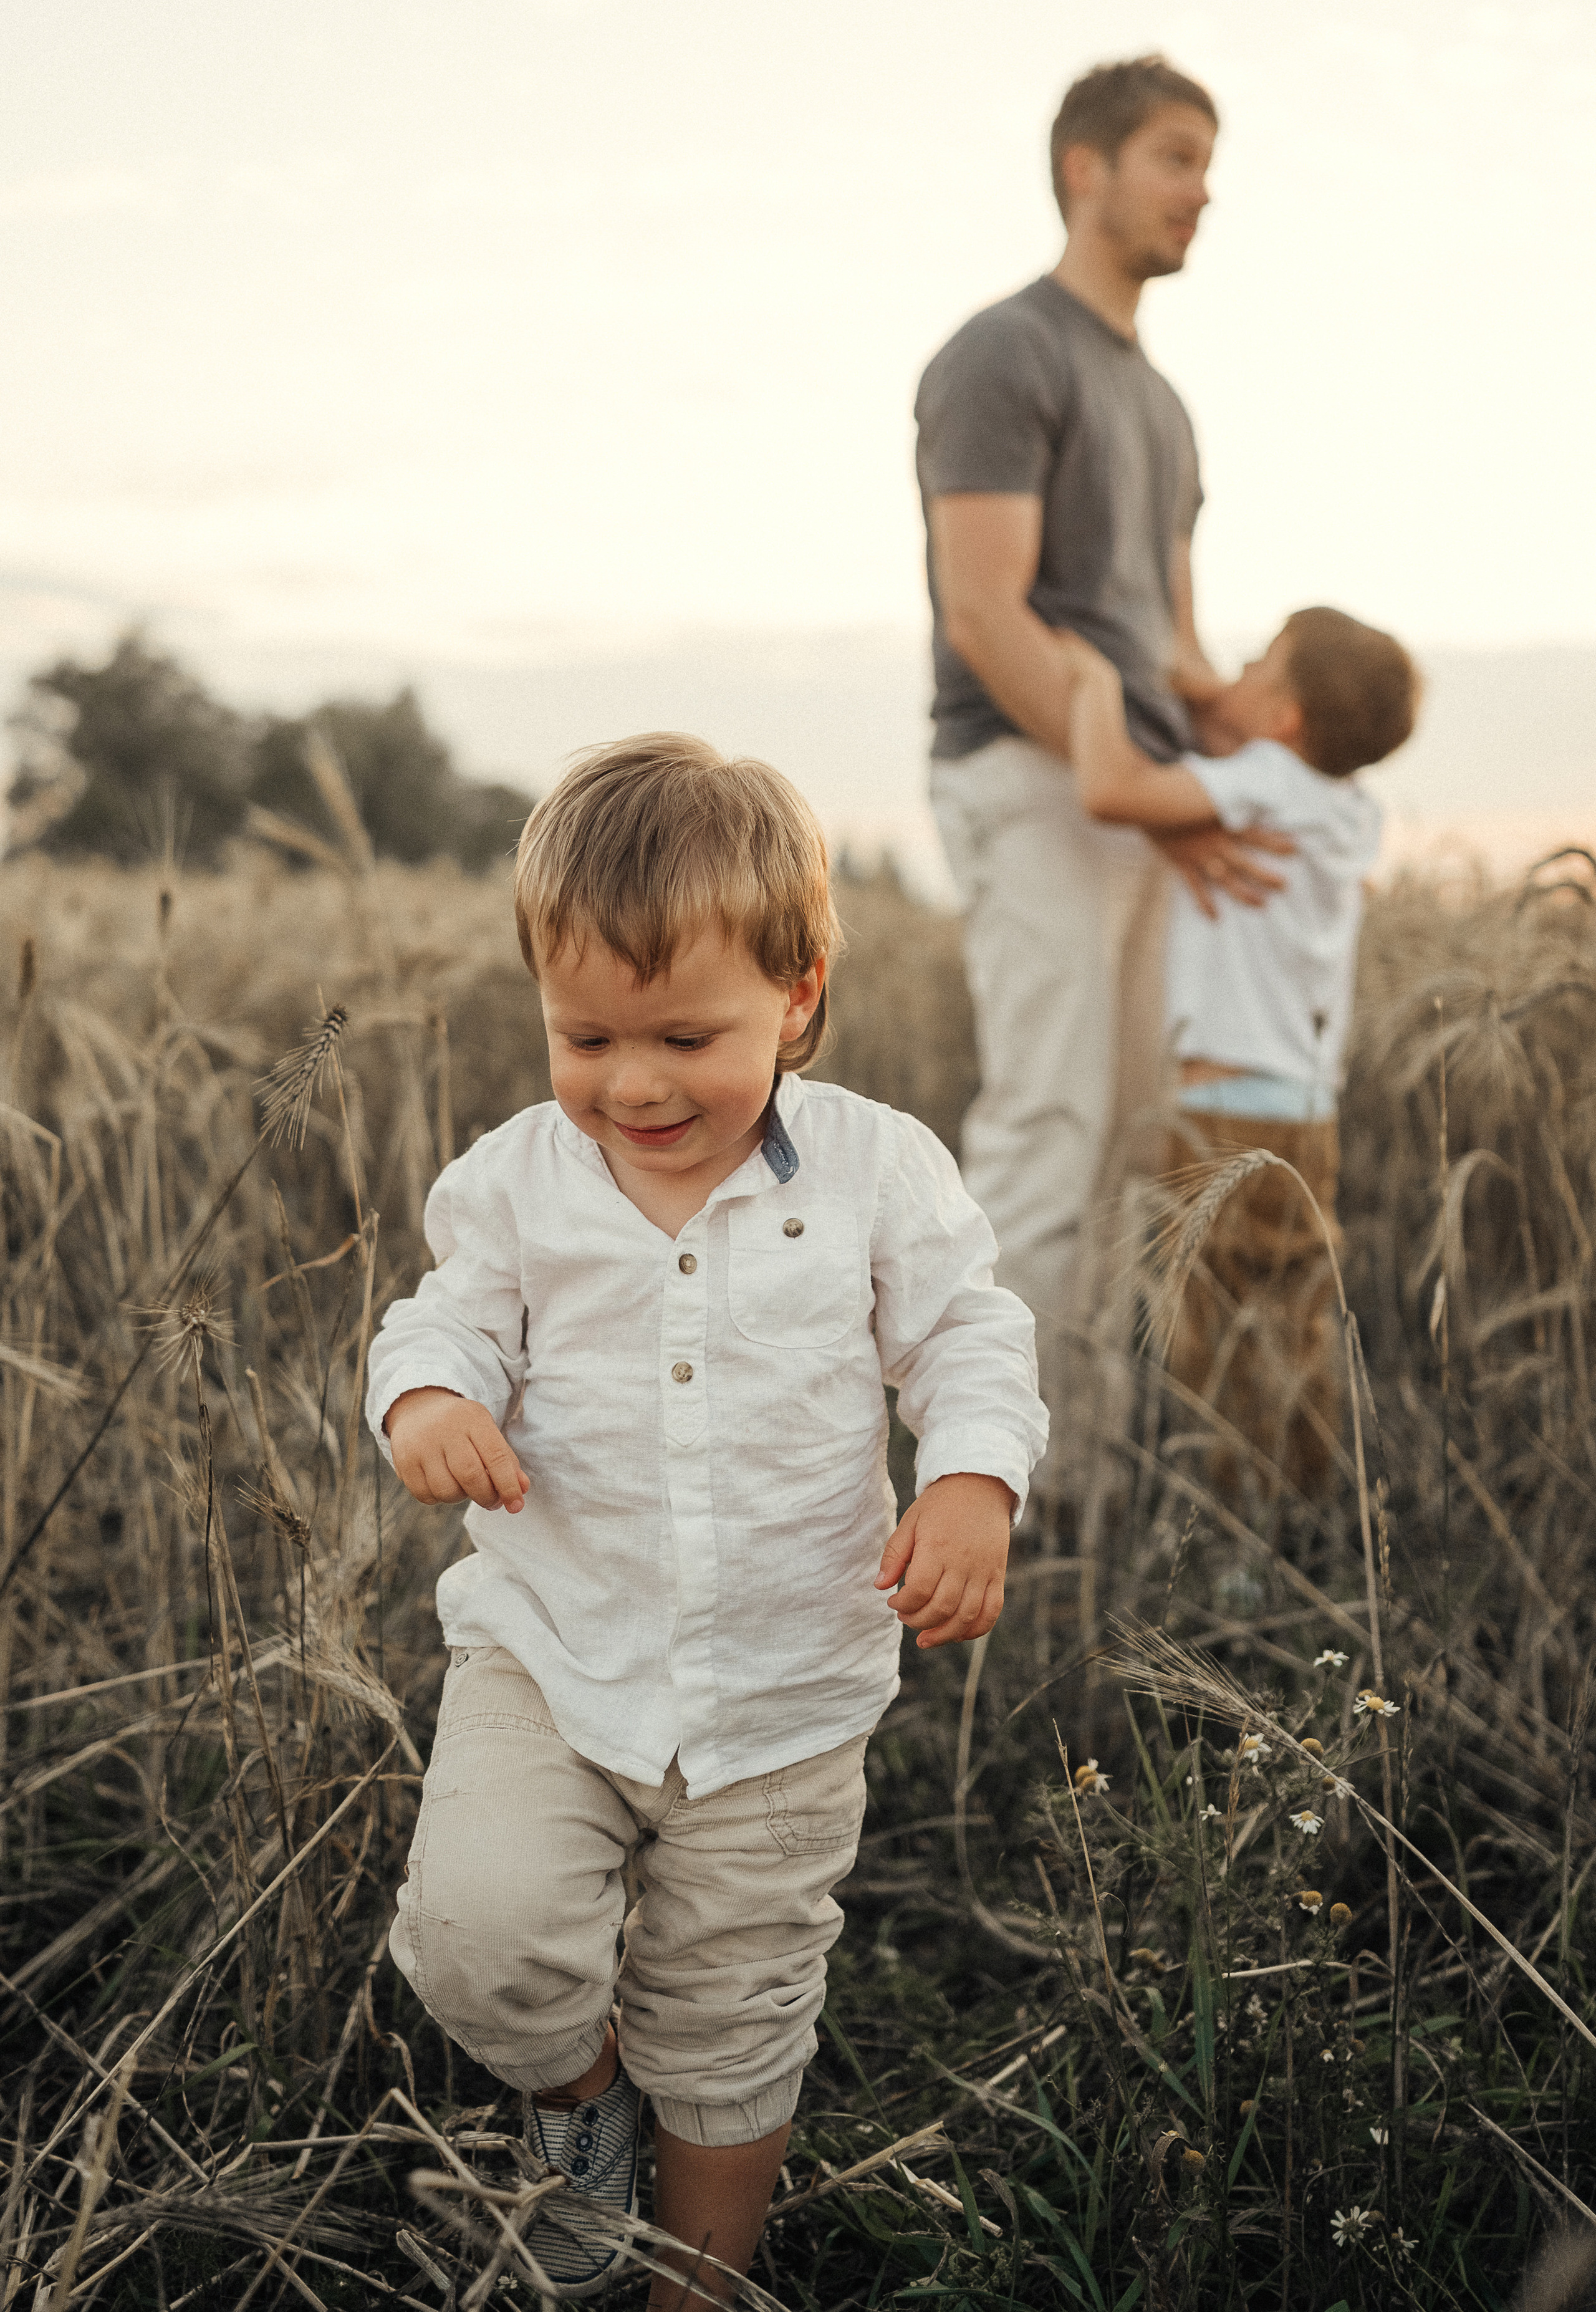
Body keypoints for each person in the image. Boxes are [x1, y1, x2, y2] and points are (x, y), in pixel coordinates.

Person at [365, 735, 1047, 2307]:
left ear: (798, 996)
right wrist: (426, 1402)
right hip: (553, 1656)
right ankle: (578, 2107)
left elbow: (966, 1336)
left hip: (781, 1689)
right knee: (478, 1936)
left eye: (686, 1034)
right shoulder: (517, 1181)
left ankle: (694, 2281)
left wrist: (966, 1478)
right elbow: (443, 1321)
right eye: (583, 1035)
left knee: (730, 2009)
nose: (634, 1083)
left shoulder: (876, 1171)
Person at [915, 53, 1287, 1490]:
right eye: (1176, 158)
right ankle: (980, 1493)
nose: (1203, 191)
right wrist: (1126, 786)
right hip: (1029, 779)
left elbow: (1172, 652)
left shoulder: (1166, 408)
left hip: (1137, 805)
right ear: (1086, 168)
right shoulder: (1003, 354)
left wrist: (1266, 761)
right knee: (1047, 1129)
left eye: (1205, 162)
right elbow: (987, 610)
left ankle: (1083, 1494)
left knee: (1135, 1140)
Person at [1068, 606, 1419, 1493]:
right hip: (1307, 1107)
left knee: (1215, 1328)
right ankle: (1300, 1509)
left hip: (1224, 1111)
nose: (1238, 673)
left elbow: (1110, 790)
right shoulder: (1352, 807)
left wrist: (1099, 684)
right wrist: (1209, 681)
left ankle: (1229, 1542)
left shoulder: (1262, 778)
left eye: (1260, 662)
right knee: (1293, 1314)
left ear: (1284, 720)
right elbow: (1229, 706)